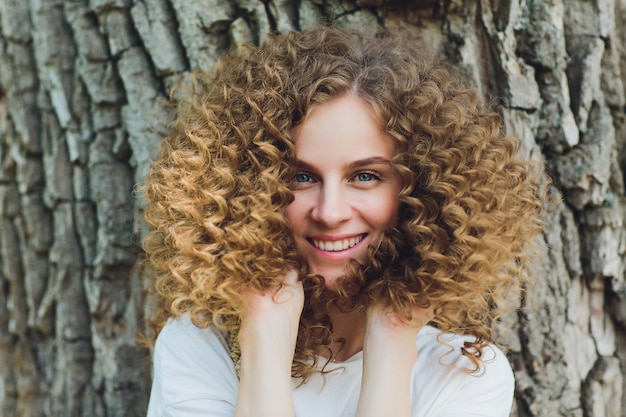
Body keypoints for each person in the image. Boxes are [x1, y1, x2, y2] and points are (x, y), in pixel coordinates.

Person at [142, 26, 545, 417]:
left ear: (420, 190)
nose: (330, 212)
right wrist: (264, 332)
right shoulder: (198, 347)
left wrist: (393, 340)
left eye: (365, 176)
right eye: (302, 177)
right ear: (248, 189)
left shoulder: (464, 374)